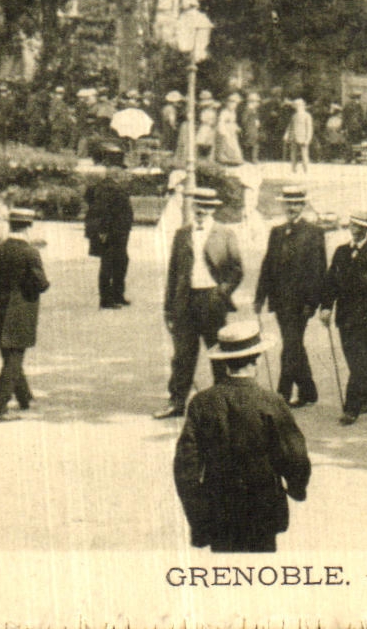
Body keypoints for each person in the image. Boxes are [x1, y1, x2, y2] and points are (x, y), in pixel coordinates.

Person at [173, 321, 310, 552]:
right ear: (257, 359)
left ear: (224, 361)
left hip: (219, 509)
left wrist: (198, 516)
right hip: (263, 508)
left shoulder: (201, 403)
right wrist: (297, 488)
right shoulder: (271, 401)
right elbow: (295, 455)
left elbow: (186, 467)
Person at [156, 188, 244, 420]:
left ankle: (223, 405)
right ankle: (176, 402)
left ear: (213, 209)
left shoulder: (225, 233)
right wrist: (169, 308)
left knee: (219, 354)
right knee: (182, 355)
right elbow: (173, 272)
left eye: (207, 207)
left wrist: (221, 293)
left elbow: (236, 270)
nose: (202, 211)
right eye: (198, 206)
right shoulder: (182, 234)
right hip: (186, 301)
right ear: (193, 207)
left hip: (212, 301)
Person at [0, 207, 50, 421]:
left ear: (10, 224)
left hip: (0, 310)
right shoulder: (30, 253)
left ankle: (24, 398)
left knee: (10, 356)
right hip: (22, 313)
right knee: (13, 361)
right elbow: (42, 284)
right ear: (28, 226)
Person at [319, 211, 367, 424]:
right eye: (353, 225)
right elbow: (331, 282)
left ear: (366, 229)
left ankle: (351, 408)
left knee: (360, 362)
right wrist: (326, 307)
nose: (355, 229)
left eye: (360, 226)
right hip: (345, 318)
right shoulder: (341, 252)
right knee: (355, 361)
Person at [253, 187, 328, 407]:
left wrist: (312, 302)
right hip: (280, 301)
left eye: (296, 204)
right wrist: (260, 297)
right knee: (293, 344)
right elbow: (267, 265)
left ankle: (282, 395)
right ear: (283, 205)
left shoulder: (314, 232)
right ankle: (308, 391)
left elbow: (318, 270)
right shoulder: (277, 232)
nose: (292, 208)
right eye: (289, 204)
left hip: (301, 303)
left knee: (290, 345)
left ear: (303, 206)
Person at [84, 159, 134, 308]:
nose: (124, 174)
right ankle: (106, 299)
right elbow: (103, 211)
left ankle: (117, 295)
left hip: (118, 232)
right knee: (109, 264)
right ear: (115, 172)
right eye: (122, 171)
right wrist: (103, 231)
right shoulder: (107, 188)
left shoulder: (110, 186)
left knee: (120, 262)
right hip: (111, 233)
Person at [284, 98, 313, 173]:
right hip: (294, 137)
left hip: (303, 138)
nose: (297, 107)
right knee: (293, 154)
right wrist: (286, 134)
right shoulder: (294, 116)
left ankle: (306, 170)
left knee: (304, 155)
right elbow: (290, 126)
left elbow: (309, 128)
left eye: (298, 105)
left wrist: (308, 139)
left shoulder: (307, 116)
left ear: (302, 106)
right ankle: (293, 169)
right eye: (296, 106)